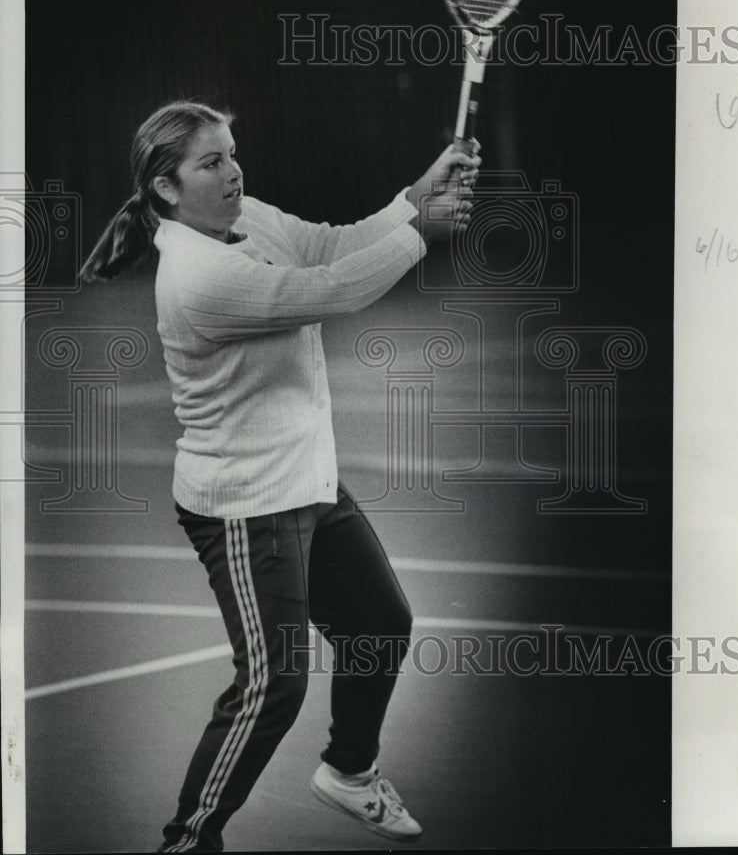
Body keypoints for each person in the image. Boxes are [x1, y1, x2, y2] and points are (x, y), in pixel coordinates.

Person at [80, 101, 480, 852]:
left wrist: (413, 197)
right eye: (210, 163)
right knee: (272, 686)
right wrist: (421, 233)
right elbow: (329, 294)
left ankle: (349, 773)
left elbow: (330, 249)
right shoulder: (197, 279)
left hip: (308, 479)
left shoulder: (247, 217)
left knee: (378, 624)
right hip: (243, 503)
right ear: (166, 189)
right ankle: (188, 840)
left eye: (231, 154)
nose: (233, 172)